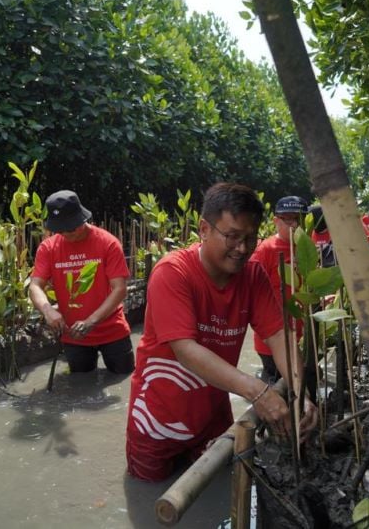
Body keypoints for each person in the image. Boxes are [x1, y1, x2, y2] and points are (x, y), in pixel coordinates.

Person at [125, 183, 317, 482]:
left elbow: (279, 335)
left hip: (213, 416)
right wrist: (258, 391)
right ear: (204, 229)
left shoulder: (253, 275)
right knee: (148, 490)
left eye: (250, 238)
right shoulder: (172, 272)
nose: (242, 248)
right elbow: (185, 350)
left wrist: (299, 391)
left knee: (218, 485)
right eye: (232, 236)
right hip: (157, 419)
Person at [29, 190, 134, 374]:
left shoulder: (108, 243)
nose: (66, 234)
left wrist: (90, 321)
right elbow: (35, 286)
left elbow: (120, 289)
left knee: (124, 376)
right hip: (74, 334)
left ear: (82, 219)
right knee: (80, 381)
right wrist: (48, 311)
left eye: (70, 228)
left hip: (112, 329)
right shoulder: (48, 248)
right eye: (60, 230)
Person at [248, 195, 308, 382]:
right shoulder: (265, 250)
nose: (294, 225)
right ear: (276, 221)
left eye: (298, 219)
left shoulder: (307, 248)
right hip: (273, 338)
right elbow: (250, 290)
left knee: (301, 381)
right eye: (288, 219)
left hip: (300, 334)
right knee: (277, 383)